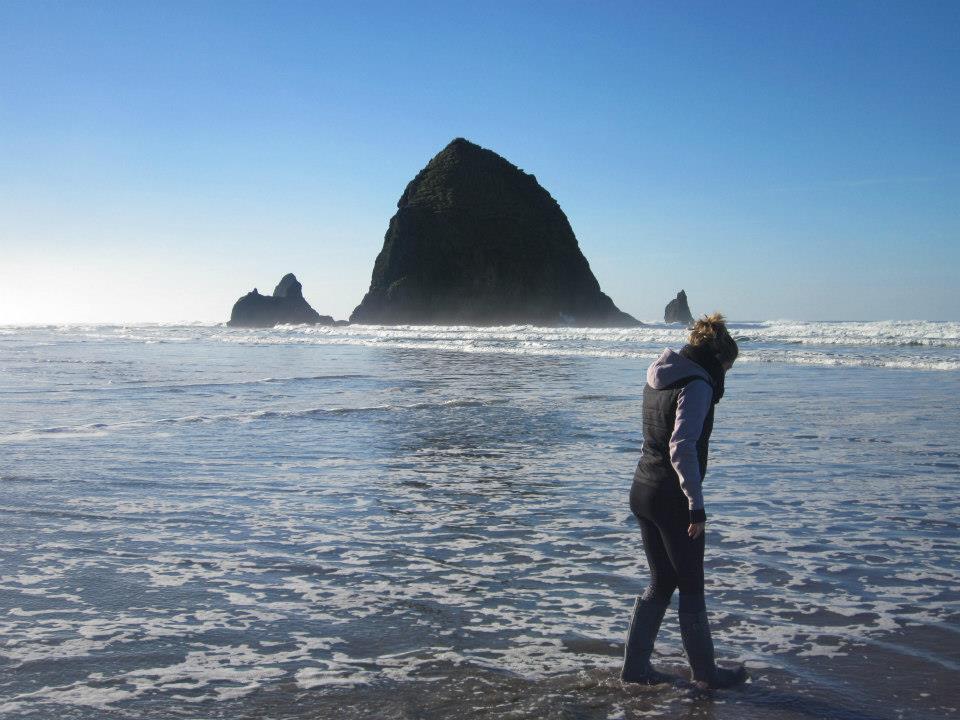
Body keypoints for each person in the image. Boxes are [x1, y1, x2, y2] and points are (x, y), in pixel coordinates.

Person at [620, 313, 748, 689]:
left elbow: (653, 439)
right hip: (671, 497)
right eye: (727, 369)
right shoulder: (698, 383)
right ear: (718, 359)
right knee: (691, 584)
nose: (725, 377)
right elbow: (681, 446)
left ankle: (635, 670)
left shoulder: (658, 374)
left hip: (643, 488)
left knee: (662, 581)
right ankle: (706, 675)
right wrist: (695, 503)